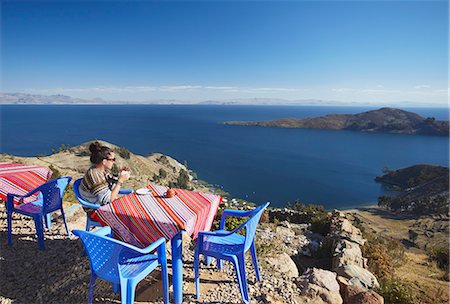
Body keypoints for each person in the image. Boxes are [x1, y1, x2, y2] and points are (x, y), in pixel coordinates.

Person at [79, 141, 130, 214]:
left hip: (101, 205)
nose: (114, 162)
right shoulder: (95, 176)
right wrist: (120, 181)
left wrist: (118, 176)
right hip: (95, 211)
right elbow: (109, 200)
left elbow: (110, 188)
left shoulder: (102, 171)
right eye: (113, 160)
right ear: (104, 161)